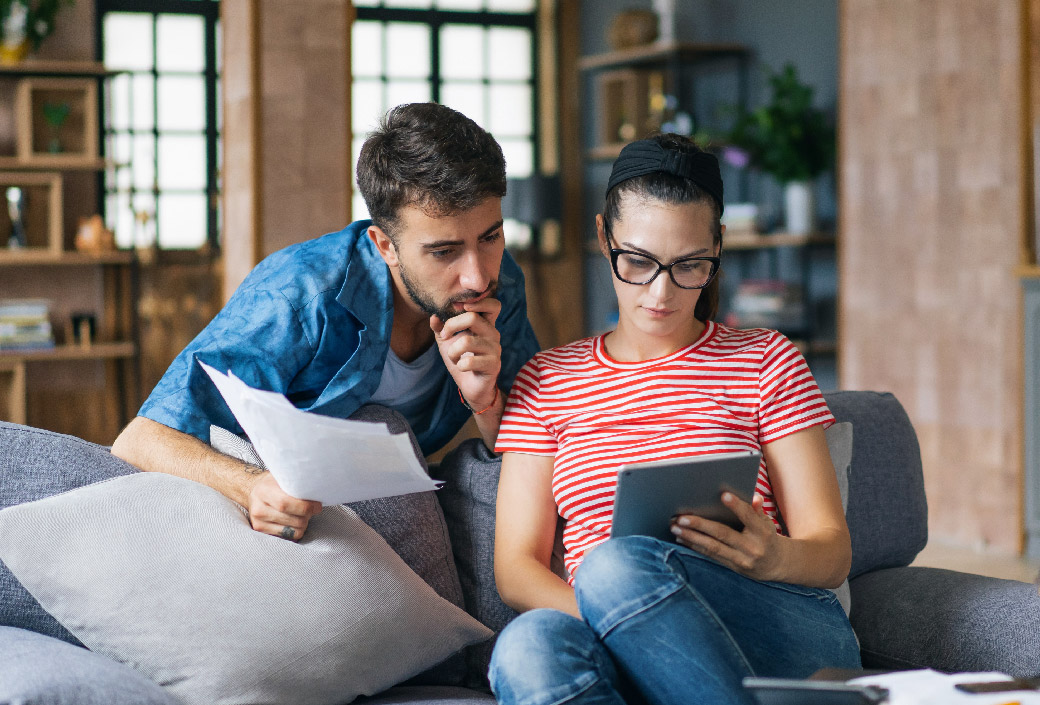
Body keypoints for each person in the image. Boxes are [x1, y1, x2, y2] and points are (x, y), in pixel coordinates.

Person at [489, 134, 859, 705]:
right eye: (637, 261)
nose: (661, 293)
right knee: (527, 646)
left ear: (718, 248)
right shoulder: (548, 379)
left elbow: (832, 551)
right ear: (602, 237)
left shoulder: (766, 359)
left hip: (773, 623)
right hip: (615, 634)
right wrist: (620, 619)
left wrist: (778, 556)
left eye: (690, 266)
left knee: (613, 568)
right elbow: (516, 570)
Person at [111, 102, 541, 542]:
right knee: (379, 425)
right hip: (284, 506)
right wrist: (251, 486)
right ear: (385, 246)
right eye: (443, 251)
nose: (477, 276)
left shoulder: (499, 282)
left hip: (404, 492)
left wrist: (485, 402)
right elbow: (140, 440)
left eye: (490, 237)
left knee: (503, 480)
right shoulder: (300, 293)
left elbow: (533, 443)